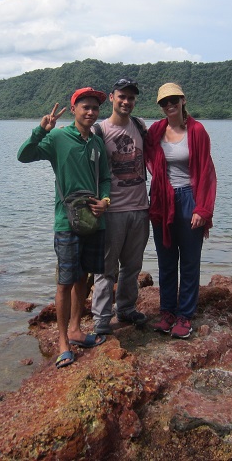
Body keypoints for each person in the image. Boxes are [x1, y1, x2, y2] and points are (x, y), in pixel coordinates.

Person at [17, 87, 112, 369]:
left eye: (95, 108)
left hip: (94, 221)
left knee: (84, 277)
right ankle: (62, 342)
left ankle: (75, 330)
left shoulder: (96, 143)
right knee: (64, 281)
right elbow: (23, 155)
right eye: (85, 107)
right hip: (66, 222)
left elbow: (105, 178)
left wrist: (105, 200)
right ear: (74, 109)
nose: (91, 112)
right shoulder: (58, 137)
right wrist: (40, 130)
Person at [145, 83, 217, 339]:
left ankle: (185, 316)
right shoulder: (155, 130)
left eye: (173, 100)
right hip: (162, 200)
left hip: (189, 198)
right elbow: (133, 143)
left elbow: (207, 172)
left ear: (183, 100)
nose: (169, 105)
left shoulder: (196, 131)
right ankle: (167, 312)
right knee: (165, 261)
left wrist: (202, 208)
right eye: (164, 102)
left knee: (188, 261)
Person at [90, 78, 150, 335]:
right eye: (122, 97)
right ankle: (101, 320)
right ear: (112, 98)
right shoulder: (99, 131)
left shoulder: (139, 125)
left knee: (133, 266)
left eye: (131, 98)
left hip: (140, 208)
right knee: (106, 269)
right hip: (111, 211)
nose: (126, 101)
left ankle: (125, 309)